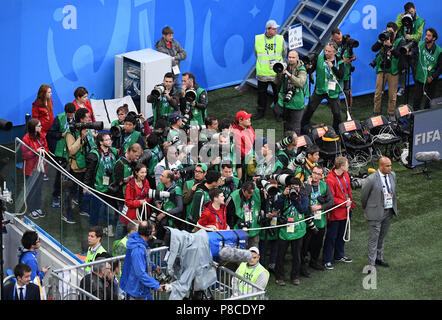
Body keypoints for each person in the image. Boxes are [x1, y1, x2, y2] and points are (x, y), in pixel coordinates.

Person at [360, 157, 398, 270]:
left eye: (390, 165)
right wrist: (369, 209)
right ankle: (371, 265)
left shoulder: (392, 175)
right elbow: (363, 197)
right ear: (380, 166)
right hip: (375, 213)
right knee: (374, 239)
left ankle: (379, 258)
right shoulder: (371, 179)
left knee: (382, 237)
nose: (390, 168)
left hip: (388, 211)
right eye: (387, 166)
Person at [301, 42, 345, 134]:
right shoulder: (319, 58)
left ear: (335, 52)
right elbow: (311, 70)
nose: (326, 53)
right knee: (310, 108)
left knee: (337, 113)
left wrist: (332, 67)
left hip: (333, 92)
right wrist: (309, 68)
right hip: (320, 90)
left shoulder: (340, 61)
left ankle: (336, 131)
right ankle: (303, 126)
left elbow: (341, 75)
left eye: (329, 51)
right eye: (325, 50)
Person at [274, 177, 309, 286]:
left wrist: (295, 199)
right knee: (280, 255)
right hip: (284, 231)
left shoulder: (302, 197)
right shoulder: (283, 195)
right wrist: (284, 195)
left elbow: (303, 209)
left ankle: (295, 276)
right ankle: (279, 277)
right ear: (288, 187)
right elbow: (276, 206)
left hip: (298, 231)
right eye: (292, 187)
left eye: (296, 187)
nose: (294, 189)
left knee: (296, 255)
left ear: (299, 188)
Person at [323, 156, 354, 270]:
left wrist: (351, 204)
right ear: (341, 166)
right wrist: (344, 203)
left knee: (342, 235)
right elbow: (331, 198)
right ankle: (326, 260)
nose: (348, 166)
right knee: (331, 237)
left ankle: (339, 255)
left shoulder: (345, 175)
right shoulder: (330, 180)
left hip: (346, 210)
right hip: (336, 213)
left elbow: (348, 190)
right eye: (347, 164)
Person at [119, 220, 164, 300]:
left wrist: (153, 267)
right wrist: (155, 285)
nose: (154, 233)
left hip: (140, 289)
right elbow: (140, 273)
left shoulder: (139, 243)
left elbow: (143, 261)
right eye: (153, 231)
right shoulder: (138, 249)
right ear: (148, 232)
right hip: (136, 291)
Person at [65, 108, 96, 222]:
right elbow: (72, 150)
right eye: (87, 117)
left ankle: (82, 208)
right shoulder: (71, 132)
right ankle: (66, 213)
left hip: (86, 166)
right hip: (75, 167)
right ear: (81, 119)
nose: (90, 119)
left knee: (83, 189)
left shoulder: (87, 129)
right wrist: (81, 138)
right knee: (70, 191)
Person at [254, 19, 288, 121]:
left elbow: (284, 53)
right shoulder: (258, 39)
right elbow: (257, 53)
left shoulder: (280, 39)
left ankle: (278, 114)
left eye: (276, 29)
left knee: (278, 94)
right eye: (274, 29)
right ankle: (261, 112)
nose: (276, 31)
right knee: (261, 94)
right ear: (268, 29)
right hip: (263, 73)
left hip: (276, 73)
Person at [371, 22, 406, 121]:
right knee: (378, 93)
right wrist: (380, 40)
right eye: (387, 31)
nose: (389, 33)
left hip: (393, 71)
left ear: (396, 31)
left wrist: (390, 46)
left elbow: (399, 55)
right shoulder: (384, 38)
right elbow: (373, 49)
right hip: (382, 68)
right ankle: (376, 112)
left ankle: (391, 113)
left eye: (391, 32)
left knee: (392, 94)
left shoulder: (400, 41)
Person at [84, 132, 118, 231]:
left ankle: (108, 227)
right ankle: (93, 229)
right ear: (100, 142)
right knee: (95, 210)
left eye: (109, 139)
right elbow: (89, 172)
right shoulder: (94, 155)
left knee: (109, 209)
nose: (109, 141)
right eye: (106, 140)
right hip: (97, 187)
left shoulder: (113, 152)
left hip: (110, 187)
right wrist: (85, 186)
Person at [303, 165, 334, 271]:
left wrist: (320, 206)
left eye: (318, 174)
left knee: (318, 243)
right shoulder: (305, 185)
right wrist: (308, 185)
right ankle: (302, 265)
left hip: (320, 221)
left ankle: (314, 262)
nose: (315, 176)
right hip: (306, 220)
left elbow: (331, 202)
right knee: (305, 244)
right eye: (314, 173)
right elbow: (302, 200)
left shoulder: (325, 185)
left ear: (322, 176)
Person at [46, 102, 76, 209]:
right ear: (66, 112)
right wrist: (60, 134)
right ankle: (56, 196)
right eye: (69, 114)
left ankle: (70, 198)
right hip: (60, 152)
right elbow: (51, 133)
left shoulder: (76, 119)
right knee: (58, 176)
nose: (71, 116)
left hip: (72, 152)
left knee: (72, 176)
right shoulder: (59, 118)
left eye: (72, 114)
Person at [274, 49, 307, 135]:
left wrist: (289, 74)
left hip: (297, 103)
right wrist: (278, 73)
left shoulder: (302, 69)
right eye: (289, 57)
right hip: (286, 101)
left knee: (295, 127)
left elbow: (300, 83)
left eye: (293, 57)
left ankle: (296, 146)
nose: (291, 59)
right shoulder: (285, 66)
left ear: (297, 58)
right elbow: (276, 82)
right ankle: (286, 144)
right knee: (286, 125)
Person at [395, 2, 426, 96]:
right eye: (409, 12)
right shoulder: (401, 17)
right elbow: (396, 29)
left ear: (415, 9)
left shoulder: (420, 21)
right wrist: (401, 20)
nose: (411, 14)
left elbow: (419, 35)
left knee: (415, 68)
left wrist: (410, 36)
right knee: (402, 68)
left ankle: (419, 88)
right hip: (403, 47)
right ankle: (402, 88)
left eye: (412, 11)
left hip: (414, 47)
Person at [21, 118, 48, 219]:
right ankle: (31, 209)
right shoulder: (26, 139)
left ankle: (37, 207)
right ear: (34, 128)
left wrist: (43, 151)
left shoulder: (42, 136)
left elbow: (46, 148)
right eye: (39, 126)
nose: (41, 127)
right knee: (31, 190)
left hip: (40, 168)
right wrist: (35, 151)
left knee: (39, 189)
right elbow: (24, 154)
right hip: (30, 169)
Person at [118, 163, 152, 240]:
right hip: (132, 216)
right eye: (142, 172)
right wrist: (139, 202)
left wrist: (145, 201)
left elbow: (148, 196)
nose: (144, 174)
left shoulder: (146, 182)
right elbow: (128, 202)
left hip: (143, 213)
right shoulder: (130, 185)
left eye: (145, 172)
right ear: (136, 172)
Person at [412, 28, 442, 110]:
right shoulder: (420, 44)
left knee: (429, 99)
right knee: (417, 98)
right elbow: (413, 53)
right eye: (426, 35)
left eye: (429, 36)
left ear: (434, 38)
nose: (426, 37)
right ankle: (414, 117)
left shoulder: (439, 51)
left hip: (431, 78)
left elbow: (440, 67)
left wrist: (432, 77)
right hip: (420, 76)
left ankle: (426, 115)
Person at [226, 181, 262, 248]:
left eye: (251, 195)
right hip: (239, 230)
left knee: (254, 252)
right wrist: (231, 227)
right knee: (240, 252)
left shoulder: (257, 192)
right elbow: (228, 214)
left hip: (254, 228)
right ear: (243, 190)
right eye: (247, 195)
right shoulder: (234, 196)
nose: (248, 197)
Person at [331, 28, 357, 115]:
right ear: (333, 37)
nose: (340, 40)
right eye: (338, 39)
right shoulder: (330, 46)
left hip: (346, 74)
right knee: (334, 96)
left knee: (348, 93)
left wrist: (353, 57)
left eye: (341, 38)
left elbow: (352, 55)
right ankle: (336, 112)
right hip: (336, 75)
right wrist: (342, 60)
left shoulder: (345, 43)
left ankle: (349, 112)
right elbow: (329, 58)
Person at [155, 26, 187, 92]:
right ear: (164, 35)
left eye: (172, 35)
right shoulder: (160, 47)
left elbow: (184, 54)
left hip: (176, 73)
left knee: (181, 90)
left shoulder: (174, 42)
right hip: (167, 75)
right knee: (167, 92)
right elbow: (167, 60)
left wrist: (175, 57)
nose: (171, 37)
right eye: (169, 36)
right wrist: (174, 59)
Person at [112, 143, 143, 212]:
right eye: (136, 155)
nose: (137, 158)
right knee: (122, 219)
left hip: (130, 194)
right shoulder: (120, 163)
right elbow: (119, 182)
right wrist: (131, 177)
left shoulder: (132, 162)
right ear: (131, 152)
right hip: (121, 196)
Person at [155, 169, 184, 235]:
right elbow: (155, 197)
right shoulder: (161, 185)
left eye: (162, 176)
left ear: (168, 179)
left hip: (171, 220)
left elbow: (180, 208)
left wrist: (164, 214)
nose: (160, 177)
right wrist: (157, 203)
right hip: (161, 218)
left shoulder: (176, 189)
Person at [232, 110, 255, 179]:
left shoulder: (249, 127)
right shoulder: (236, 133)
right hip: (243, 162)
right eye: (247, 118)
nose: (249, 119)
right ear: (240, 121)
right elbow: (243, 152)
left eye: (249, 118)